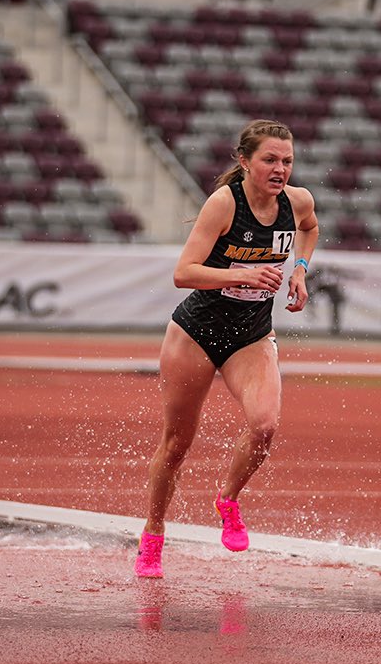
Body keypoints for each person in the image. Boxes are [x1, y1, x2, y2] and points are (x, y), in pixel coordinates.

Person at [135, 119, 319, 578]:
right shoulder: (223, 204)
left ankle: (228, 499)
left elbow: (310, 229)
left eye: (287, 161)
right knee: (177, 443)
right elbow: (184, 272)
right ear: (244, 161)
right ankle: (153, 534)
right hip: (195, 332)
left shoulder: (297, 201)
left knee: (264, 426)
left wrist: (298, 269)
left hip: (252, 334)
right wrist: (241, 274)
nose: (280, 169)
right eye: (270, 160)